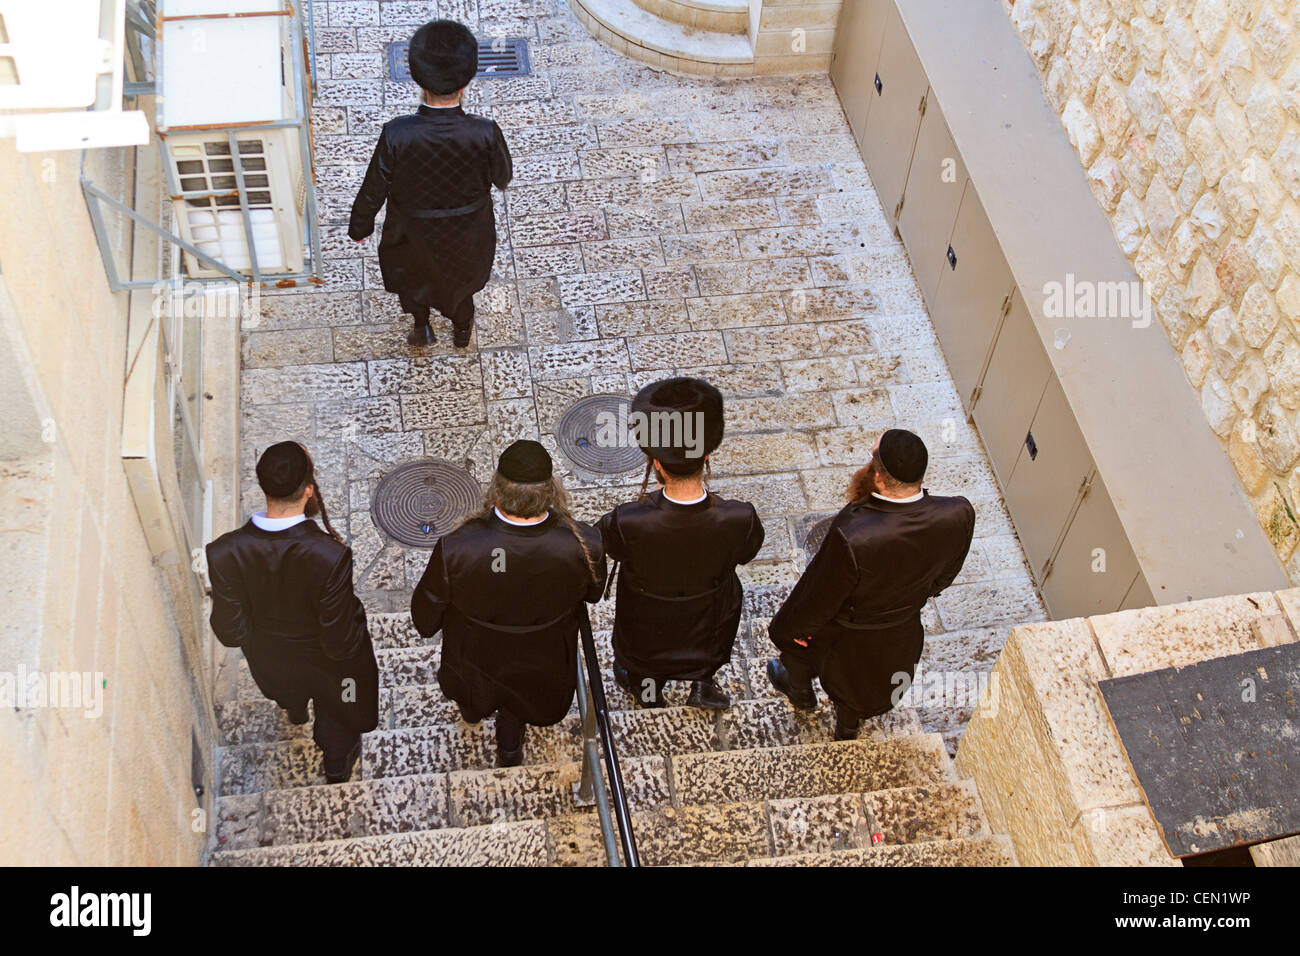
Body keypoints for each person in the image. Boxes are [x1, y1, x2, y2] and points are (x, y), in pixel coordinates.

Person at [766, 428, 975, 740]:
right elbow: (944, 576)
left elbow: (818, 597)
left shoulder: (853, 534)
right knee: (864, 681)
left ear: (878, 478)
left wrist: (783, 631)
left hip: (849, 634)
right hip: (900, 632)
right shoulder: (958, 512)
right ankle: (847, 727)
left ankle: (799, 688)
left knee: (809, 642)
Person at [411, 440, 606, 767]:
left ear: (497, 492)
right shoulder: (585, 544)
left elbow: (425, 619)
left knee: (476, 695)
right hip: (542, 664)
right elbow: (593, 594)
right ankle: (510, 746)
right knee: (519, 701)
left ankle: (474, 713)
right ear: (551, 492)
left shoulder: (457, 547)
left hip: (474, 663)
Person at [206, 442, 378, 783]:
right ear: (309, 490)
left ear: (263, 487)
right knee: (339, 709)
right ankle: (336, 766)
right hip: (328, 666)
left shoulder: (223, 552)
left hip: (273, 661)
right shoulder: (329, 555)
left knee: (291, 691)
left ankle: (296, 710)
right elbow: (341, 639)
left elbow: (230, 631)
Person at [600, 378, 765, 710]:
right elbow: (746, 553)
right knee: (705, 654)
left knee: (645, 668)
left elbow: (612, 548)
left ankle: (650, 698)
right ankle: (702, 687)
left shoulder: (627, 521)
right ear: (705, 456)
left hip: (647, 624)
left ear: (657, 463)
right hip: (710, 620)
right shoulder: (740, 517)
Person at [348, 19, 513, 348]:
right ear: (465, 84)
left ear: (419, 81)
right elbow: (502, 178)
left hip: (411, 231)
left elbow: (374, 187)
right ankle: (462, 331)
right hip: (468, 231)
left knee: (414, 280)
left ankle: (422, 328)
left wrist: (360, 226)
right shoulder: (484, 132)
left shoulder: (397, 133)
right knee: (461, 286)